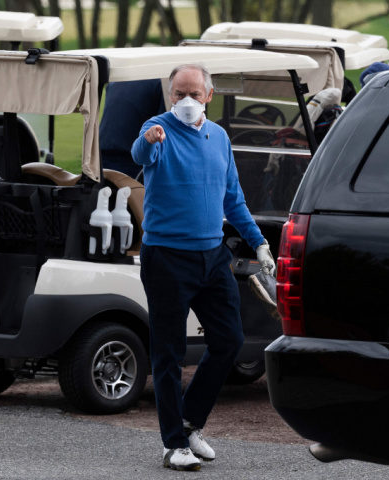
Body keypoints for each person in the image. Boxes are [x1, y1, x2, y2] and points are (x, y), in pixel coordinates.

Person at [131, 64, 275, 471]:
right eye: (179, 93)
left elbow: (234, 199)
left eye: (194, 93)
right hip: (167, 257)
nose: (186, 101)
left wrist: (259, 242)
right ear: (170, 95)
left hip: (212, 256)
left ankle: (190, 422)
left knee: (229, 340)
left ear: (209, 95)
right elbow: (142, 153)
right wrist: (148, 139)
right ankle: (173, 444)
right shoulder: (157, 128)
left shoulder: (219, 136)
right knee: (168, 353)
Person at [100, 79, 166, 178]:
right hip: (130, 159)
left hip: (102, 153)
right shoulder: (160, 82)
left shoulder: (116, 81)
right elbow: (163, 134)